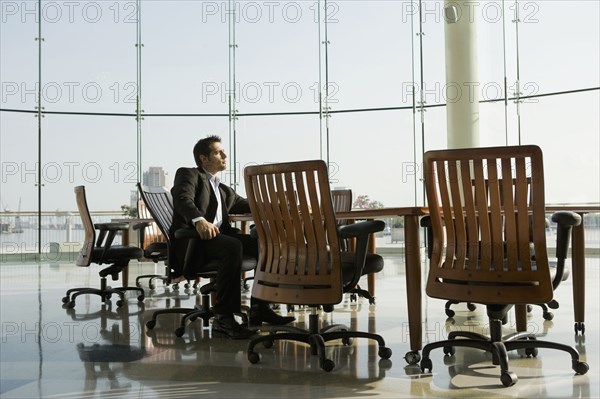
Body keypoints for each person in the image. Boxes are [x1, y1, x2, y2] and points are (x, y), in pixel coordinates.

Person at [169, 135, 295, 339]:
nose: (225, 155)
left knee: (263, 244)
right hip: (195, 241)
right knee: (233, 245)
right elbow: (182, 199)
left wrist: (287, 208)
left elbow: (253, 204)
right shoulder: (189, 174)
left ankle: (259, 307)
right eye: (218, 152)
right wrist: (199, 220)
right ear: (203, 158)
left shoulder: (223, 190)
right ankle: (224, 318)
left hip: (217, 239)